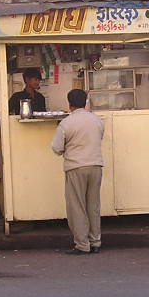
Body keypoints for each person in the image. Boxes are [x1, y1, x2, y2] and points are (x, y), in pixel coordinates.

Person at [51, 89, 104, 254]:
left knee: (77, 207)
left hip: (76, 167)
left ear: (69, 104)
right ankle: (95, 242)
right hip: (96, 166)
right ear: (85, 102)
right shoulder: (97, 121)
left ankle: (82, 245)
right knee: (93, 206)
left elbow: (57, 148)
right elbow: (100, 137)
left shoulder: (66, 123)